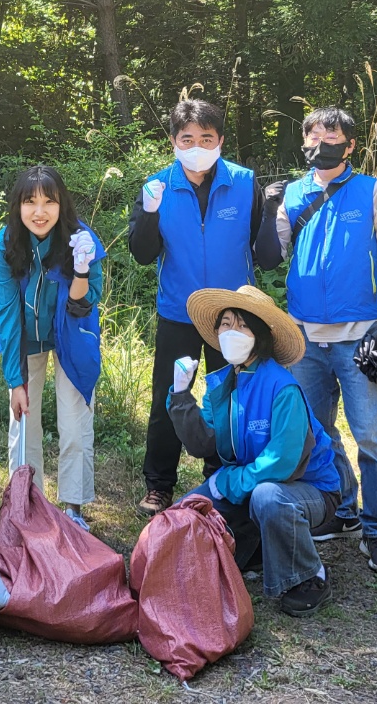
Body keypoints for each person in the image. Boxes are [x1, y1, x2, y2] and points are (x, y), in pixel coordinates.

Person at [255, 106, 377, 574]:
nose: (320, 141)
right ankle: (344, 508)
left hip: (359, 334)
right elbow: (269, 259)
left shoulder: (375, 193)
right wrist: (269, 211)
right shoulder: (291, 194)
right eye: (313, 133)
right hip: (303, 337)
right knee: (316, 431)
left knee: (370, 435)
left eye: (332, 135)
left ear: (350, 146)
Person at [166, 285, 343, 617]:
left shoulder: (282, 386)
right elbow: (201, 443)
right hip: (252, 481)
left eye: (242, 325)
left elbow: (282, 461)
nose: (232, 332)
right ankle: (259, 549)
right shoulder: (221, 384)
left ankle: (309, 576)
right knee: (183, 515)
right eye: (225, 324)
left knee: (267, 498)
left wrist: (229, 481)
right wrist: (179, 396)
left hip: (309, 489)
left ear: (259, 335)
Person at [127, 99, 261, 517]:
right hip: (179, 313)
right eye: (188, 138)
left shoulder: (244, 183)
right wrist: (148, 214)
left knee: (231, 397)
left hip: (233, 315)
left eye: (206, 138)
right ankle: (159, 484)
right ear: (173, 141)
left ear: (220, 140)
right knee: (170, 396)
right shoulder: (158, 187)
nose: (197, 145)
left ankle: (219, 476)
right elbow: (142, 253)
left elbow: (262, 244)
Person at [0, 166, 106, 532]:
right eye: (30, 202)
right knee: (24, 421)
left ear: (62, 204)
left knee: (74, 422)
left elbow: (87, 302)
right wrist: (14, 380)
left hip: (71, 337)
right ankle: (27, 505)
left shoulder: (81, 239)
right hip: (26, 339)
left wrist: (82, 271)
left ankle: (74, 509)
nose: (39, 212)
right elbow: (7, 313)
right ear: (18, 206)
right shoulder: (6, 244)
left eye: (48, 202)